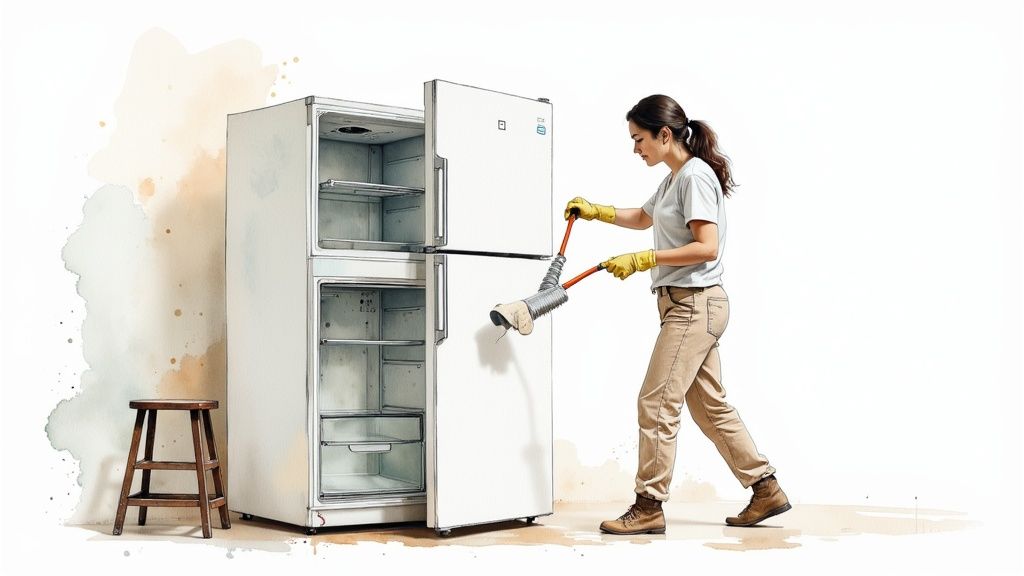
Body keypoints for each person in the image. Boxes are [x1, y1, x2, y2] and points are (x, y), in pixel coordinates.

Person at [565, 94, 791, 535]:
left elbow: (707, 247)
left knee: (656, 402)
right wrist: (597, 211)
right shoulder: (674, 179)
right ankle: (766, 488)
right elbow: (642, 217)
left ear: (664, 134)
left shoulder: (695, 177)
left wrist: (645, 259)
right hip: (686, 304)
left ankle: (649, 504)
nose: (635, 148)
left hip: (694, 304)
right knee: (709, 406)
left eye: (639, 139)